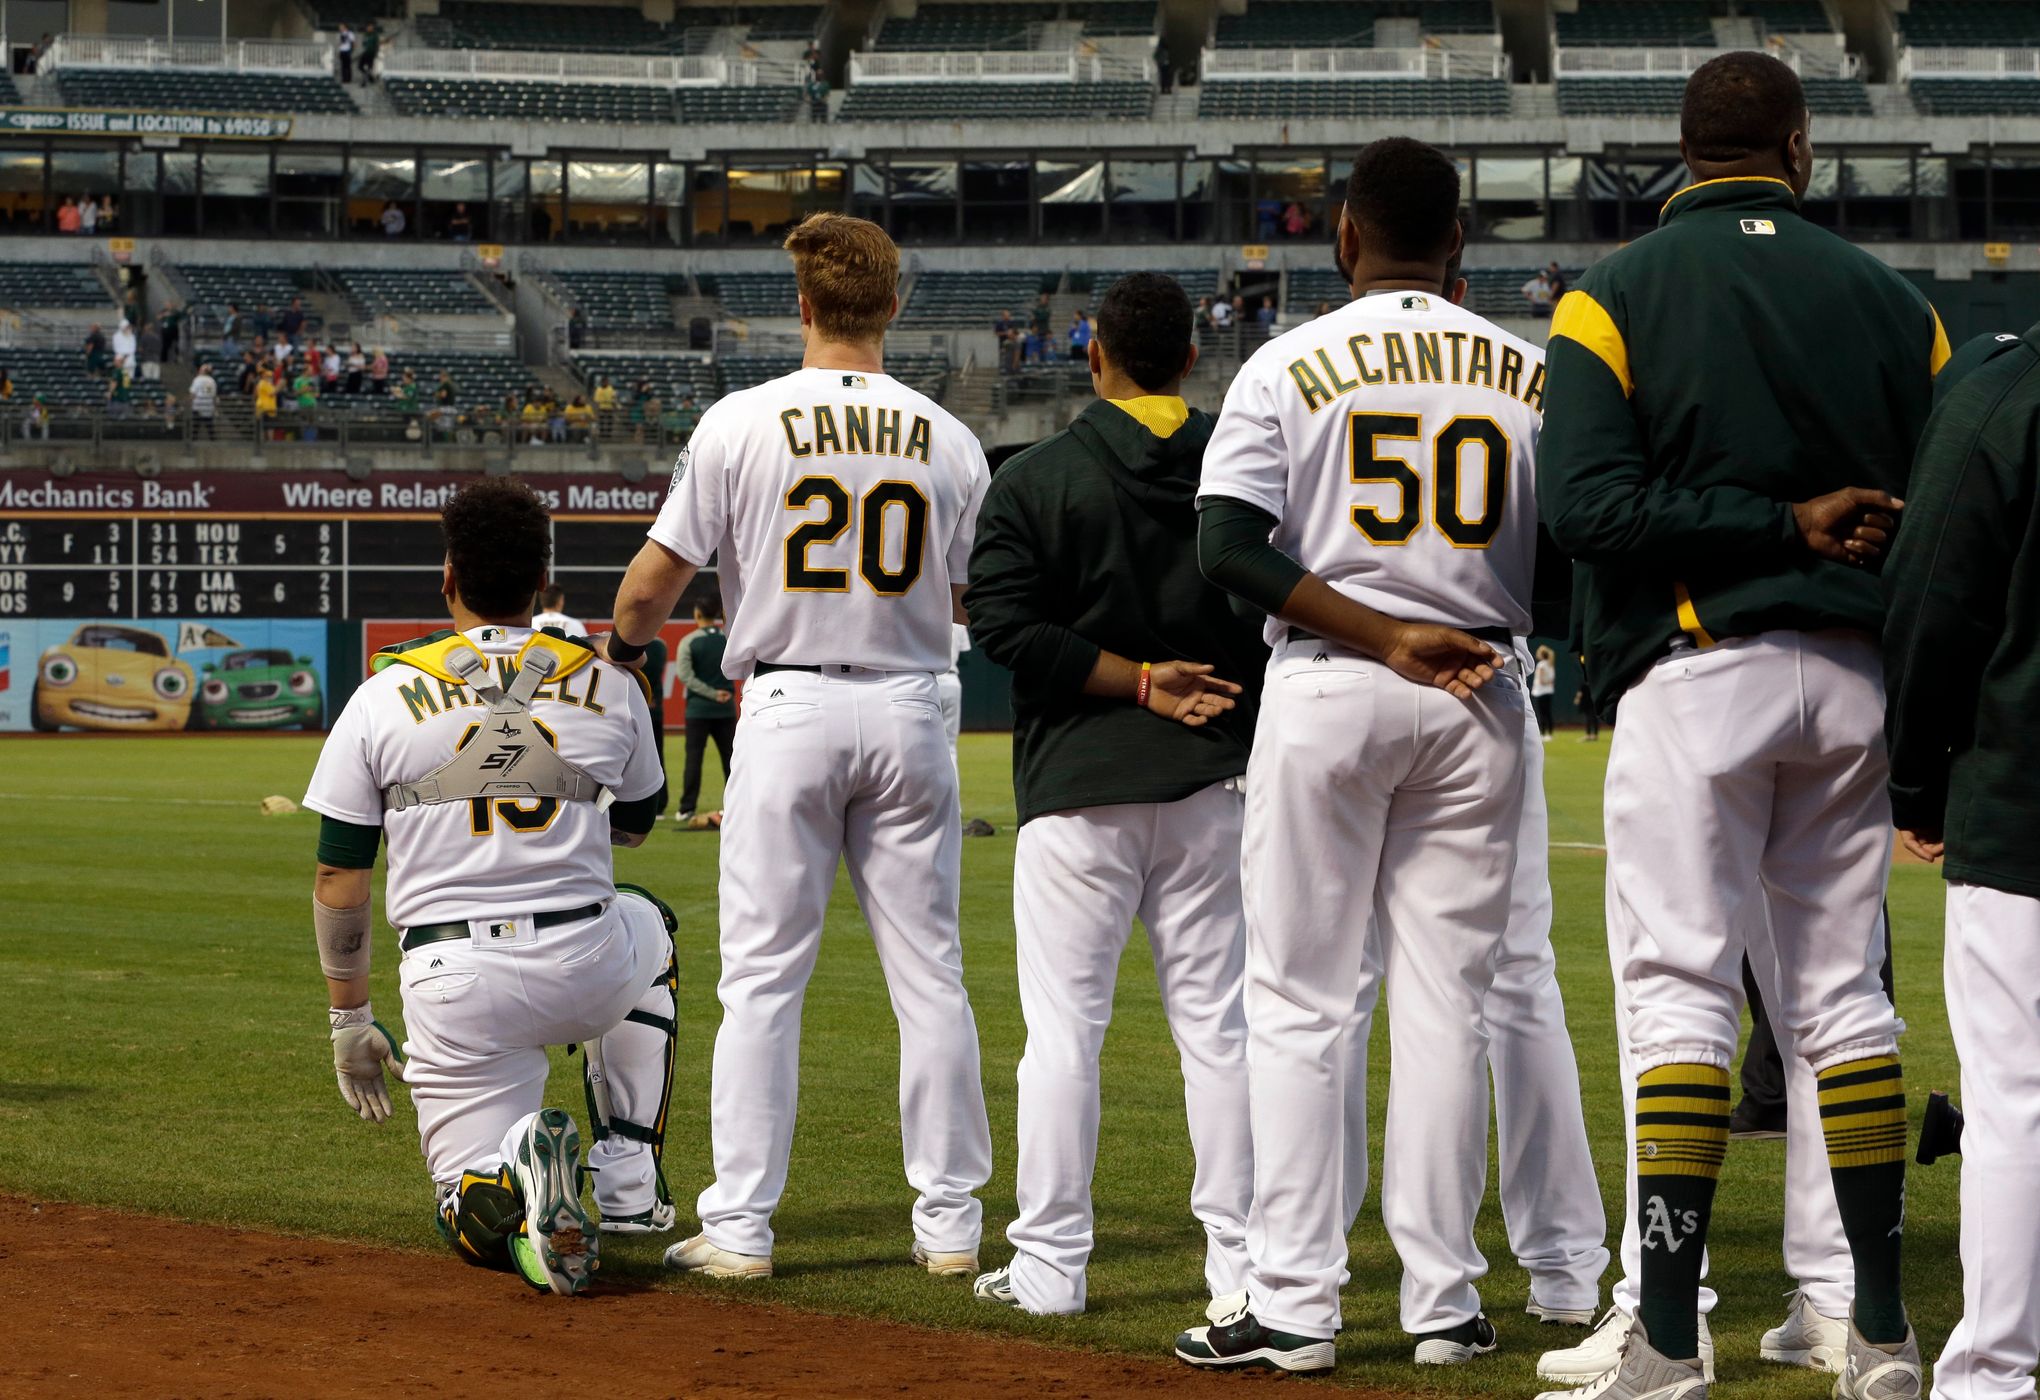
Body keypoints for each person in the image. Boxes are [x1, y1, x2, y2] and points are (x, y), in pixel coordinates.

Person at [1535, 52, 1944, 1400]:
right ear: (1800, 147)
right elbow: (1944, 535)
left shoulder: (1614, 297)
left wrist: (1769, 522)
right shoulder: (1899, 306)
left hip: (1700, 671)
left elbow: (1589, 511)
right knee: (1844, 1000)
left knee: (1679, 1000)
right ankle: (1876, 1333)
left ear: (1683, 150)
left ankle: (1665, 1335)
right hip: (1858, 682)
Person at [1174, 137, 1541, 1375]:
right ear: (1460, 244)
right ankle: (1444, 1302)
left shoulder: (1287, 361)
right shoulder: (1529, 372)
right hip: (1487, 684)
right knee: (1453, 1004)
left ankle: (1294, 1303)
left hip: (1338, 677)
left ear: (1343, 236)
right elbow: (1585, 540)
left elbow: (1228, 548)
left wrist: (1384, 630)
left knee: (1299, 1000)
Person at [602, 212, 993, 1281]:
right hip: (914, 706)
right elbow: (973, 593)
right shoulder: (949, 438)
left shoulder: (741, 421)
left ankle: (742, 1226)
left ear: (806, 306)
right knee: (932, 978)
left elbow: (650, 587)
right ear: (895, 306)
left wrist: (628, 653)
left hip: (786, 707)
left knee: (765, 982)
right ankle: (951, 1223)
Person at [965, 271, 1262, 1318]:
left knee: (1064, 1033)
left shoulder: (1038, 474)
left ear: (1093, 352)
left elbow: (1001, 626)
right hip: (1212, 781)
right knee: (1221, 1033)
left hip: (1081, 784)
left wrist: (1132, 680)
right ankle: (1242, 1272)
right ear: (1192, 355)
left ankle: (1051, 1263)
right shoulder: (1241, 463)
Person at [300, 477, 679, 1297]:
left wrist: (349, 1017)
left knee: (463, 1214)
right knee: (648, 918)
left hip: (455, 981)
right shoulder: (610, 685)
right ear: (543, 584)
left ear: (447, 577)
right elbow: (641, 819)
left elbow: (341, 870)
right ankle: (627, 1175)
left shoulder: (381, 694)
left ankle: (509, 1174)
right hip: (586, 960)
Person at [1882, 325, 2040, 1400]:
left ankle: (1996, 1365)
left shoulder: (2007, 392)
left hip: (2024, 795)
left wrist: (1916, 782)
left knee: (2015, 1095)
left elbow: (1931, 598)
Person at [674, 598, 737, 824]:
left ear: (697, 614)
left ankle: (686, 808)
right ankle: (739, 805)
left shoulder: (689, 641)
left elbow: (685, 676)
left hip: (698, 710)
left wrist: (710, 693)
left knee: (694, 760)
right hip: (726, 710)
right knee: (732, 761)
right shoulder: (729, 639)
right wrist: (721, 693)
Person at [1531, 644, 1557, 738]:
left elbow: (1541, 680)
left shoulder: (1541, 665)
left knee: (1542, 713)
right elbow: (1551, 680)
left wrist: (1544, 683)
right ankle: (1549, 734)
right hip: (1549, 692)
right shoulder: (1550, 664)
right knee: (1548, 713)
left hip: (1541, 692)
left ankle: (1543, 733)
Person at [189, 362, 218, 439]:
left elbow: (193, 393)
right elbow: (214, 395)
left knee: (196, 425)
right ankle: (213, 440)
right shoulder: (212, 381)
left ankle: (193, 440)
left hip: (198, 405)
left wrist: (190, 402)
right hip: (208, 406)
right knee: (209, 425)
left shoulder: (197, 379)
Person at [1030, 292, 1053, 364]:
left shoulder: (1048, 308)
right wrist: (1037, 316)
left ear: (1047, 300)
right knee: (1037, 349)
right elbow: (1034, 316)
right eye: (1041, 298)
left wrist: (1037, 316)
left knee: (1045, 349)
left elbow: (1044, 316)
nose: (1042, 299)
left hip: (1045, 331)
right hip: (1037, 331)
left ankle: (1045, 362)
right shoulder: (1038, 307)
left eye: (1043, 298)